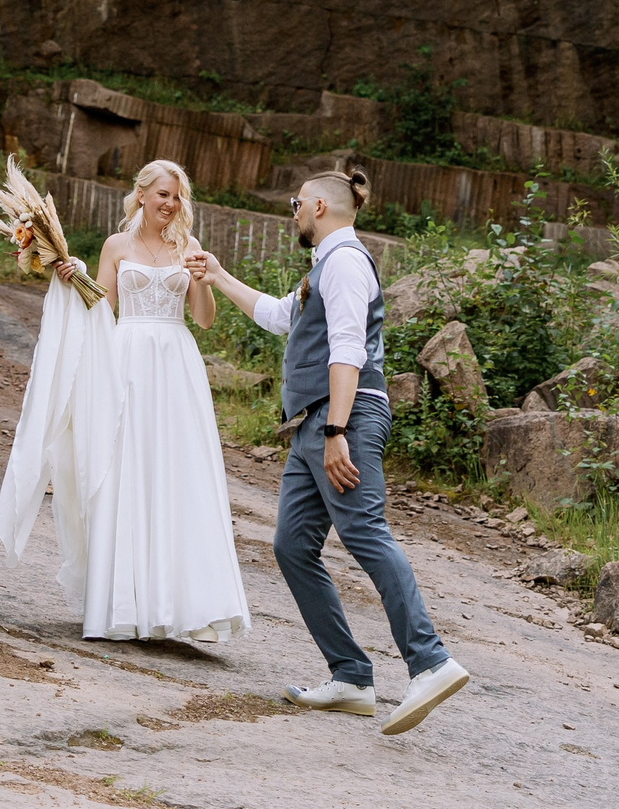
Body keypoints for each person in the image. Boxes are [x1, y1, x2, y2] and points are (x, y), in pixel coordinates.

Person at [189, 168, 473, 735]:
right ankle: (351, 676)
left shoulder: (344, 263)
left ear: (318, 205)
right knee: (293, 546)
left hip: (342, 417)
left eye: (296, 202)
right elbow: (279, 317)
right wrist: (218, 276)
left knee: (365, 530)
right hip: (313, 421)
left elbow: (346, 353)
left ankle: (431, 661)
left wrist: (337, 432)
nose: (292, 211)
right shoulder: (325, 266)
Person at [0, 159, 251, 644]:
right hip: (126, 359)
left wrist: (203, 280)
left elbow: (205, 319)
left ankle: (180, 605)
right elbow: (102, 306)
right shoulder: (117, 246)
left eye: (176, 196)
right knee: (126, 472)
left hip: (176, 364)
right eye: (161, 195)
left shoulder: (189, 247)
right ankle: (122, 604)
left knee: (176, 474)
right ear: (140, 195)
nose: (169, 204)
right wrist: (73, 277)